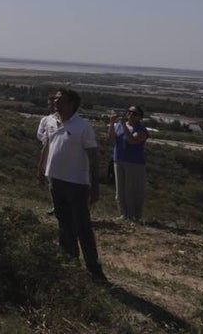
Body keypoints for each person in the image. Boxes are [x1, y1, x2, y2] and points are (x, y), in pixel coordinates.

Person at [40, 88, 106, 282]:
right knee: (63, 224)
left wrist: (95, 187)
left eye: (61, 99)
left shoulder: (83, 127)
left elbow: (93, 158)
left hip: (77, 184)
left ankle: (94, 269)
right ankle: (69, 262)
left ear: (71, 104)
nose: (56, 102)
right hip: (56, 181)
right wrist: (41, 170)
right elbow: (48, 147)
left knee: (82, 227)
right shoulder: (51, 122)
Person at [108, 105, 148, 222]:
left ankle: (134, 215)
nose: (130, 114)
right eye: (129, 112)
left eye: (134, 113)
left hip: (135, 163)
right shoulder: (119, 126)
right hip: (119, 160)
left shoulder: (141, 130)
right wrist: (112, 123)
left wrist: (124, 126)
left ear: (140, 117)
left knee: (132, 190)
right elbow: (111, 137)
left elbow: (132, 140)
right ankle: (123, 214)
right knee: (120, 191)